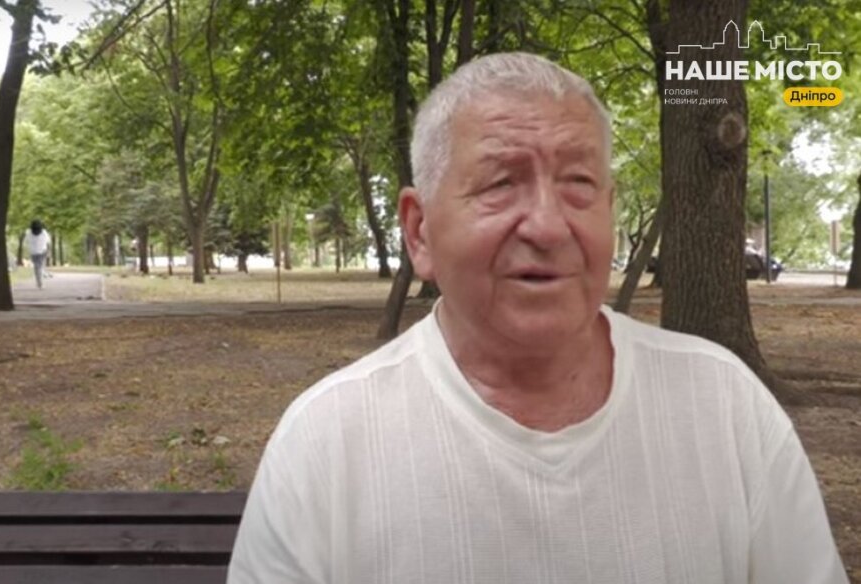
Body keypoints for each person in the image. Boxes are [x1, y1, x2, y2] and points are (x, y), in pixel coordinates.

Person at [227, 53, 847, 583]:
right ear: (419, 232)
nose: (548, 226)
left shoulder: (725, 406)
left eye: (578, 182)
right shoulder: (326, 443)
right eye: (500, 183)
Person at [23, 219, 51, 289]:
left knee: (37, 267)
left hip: (33, 252)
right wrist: (49, 250)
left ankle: (40, 281)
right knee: (40, 266)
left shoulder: (28, 232)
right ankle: (40, 281)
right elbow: (48, 242)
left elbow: (26, 241)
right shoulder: (44, 232)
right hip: (42, 251)